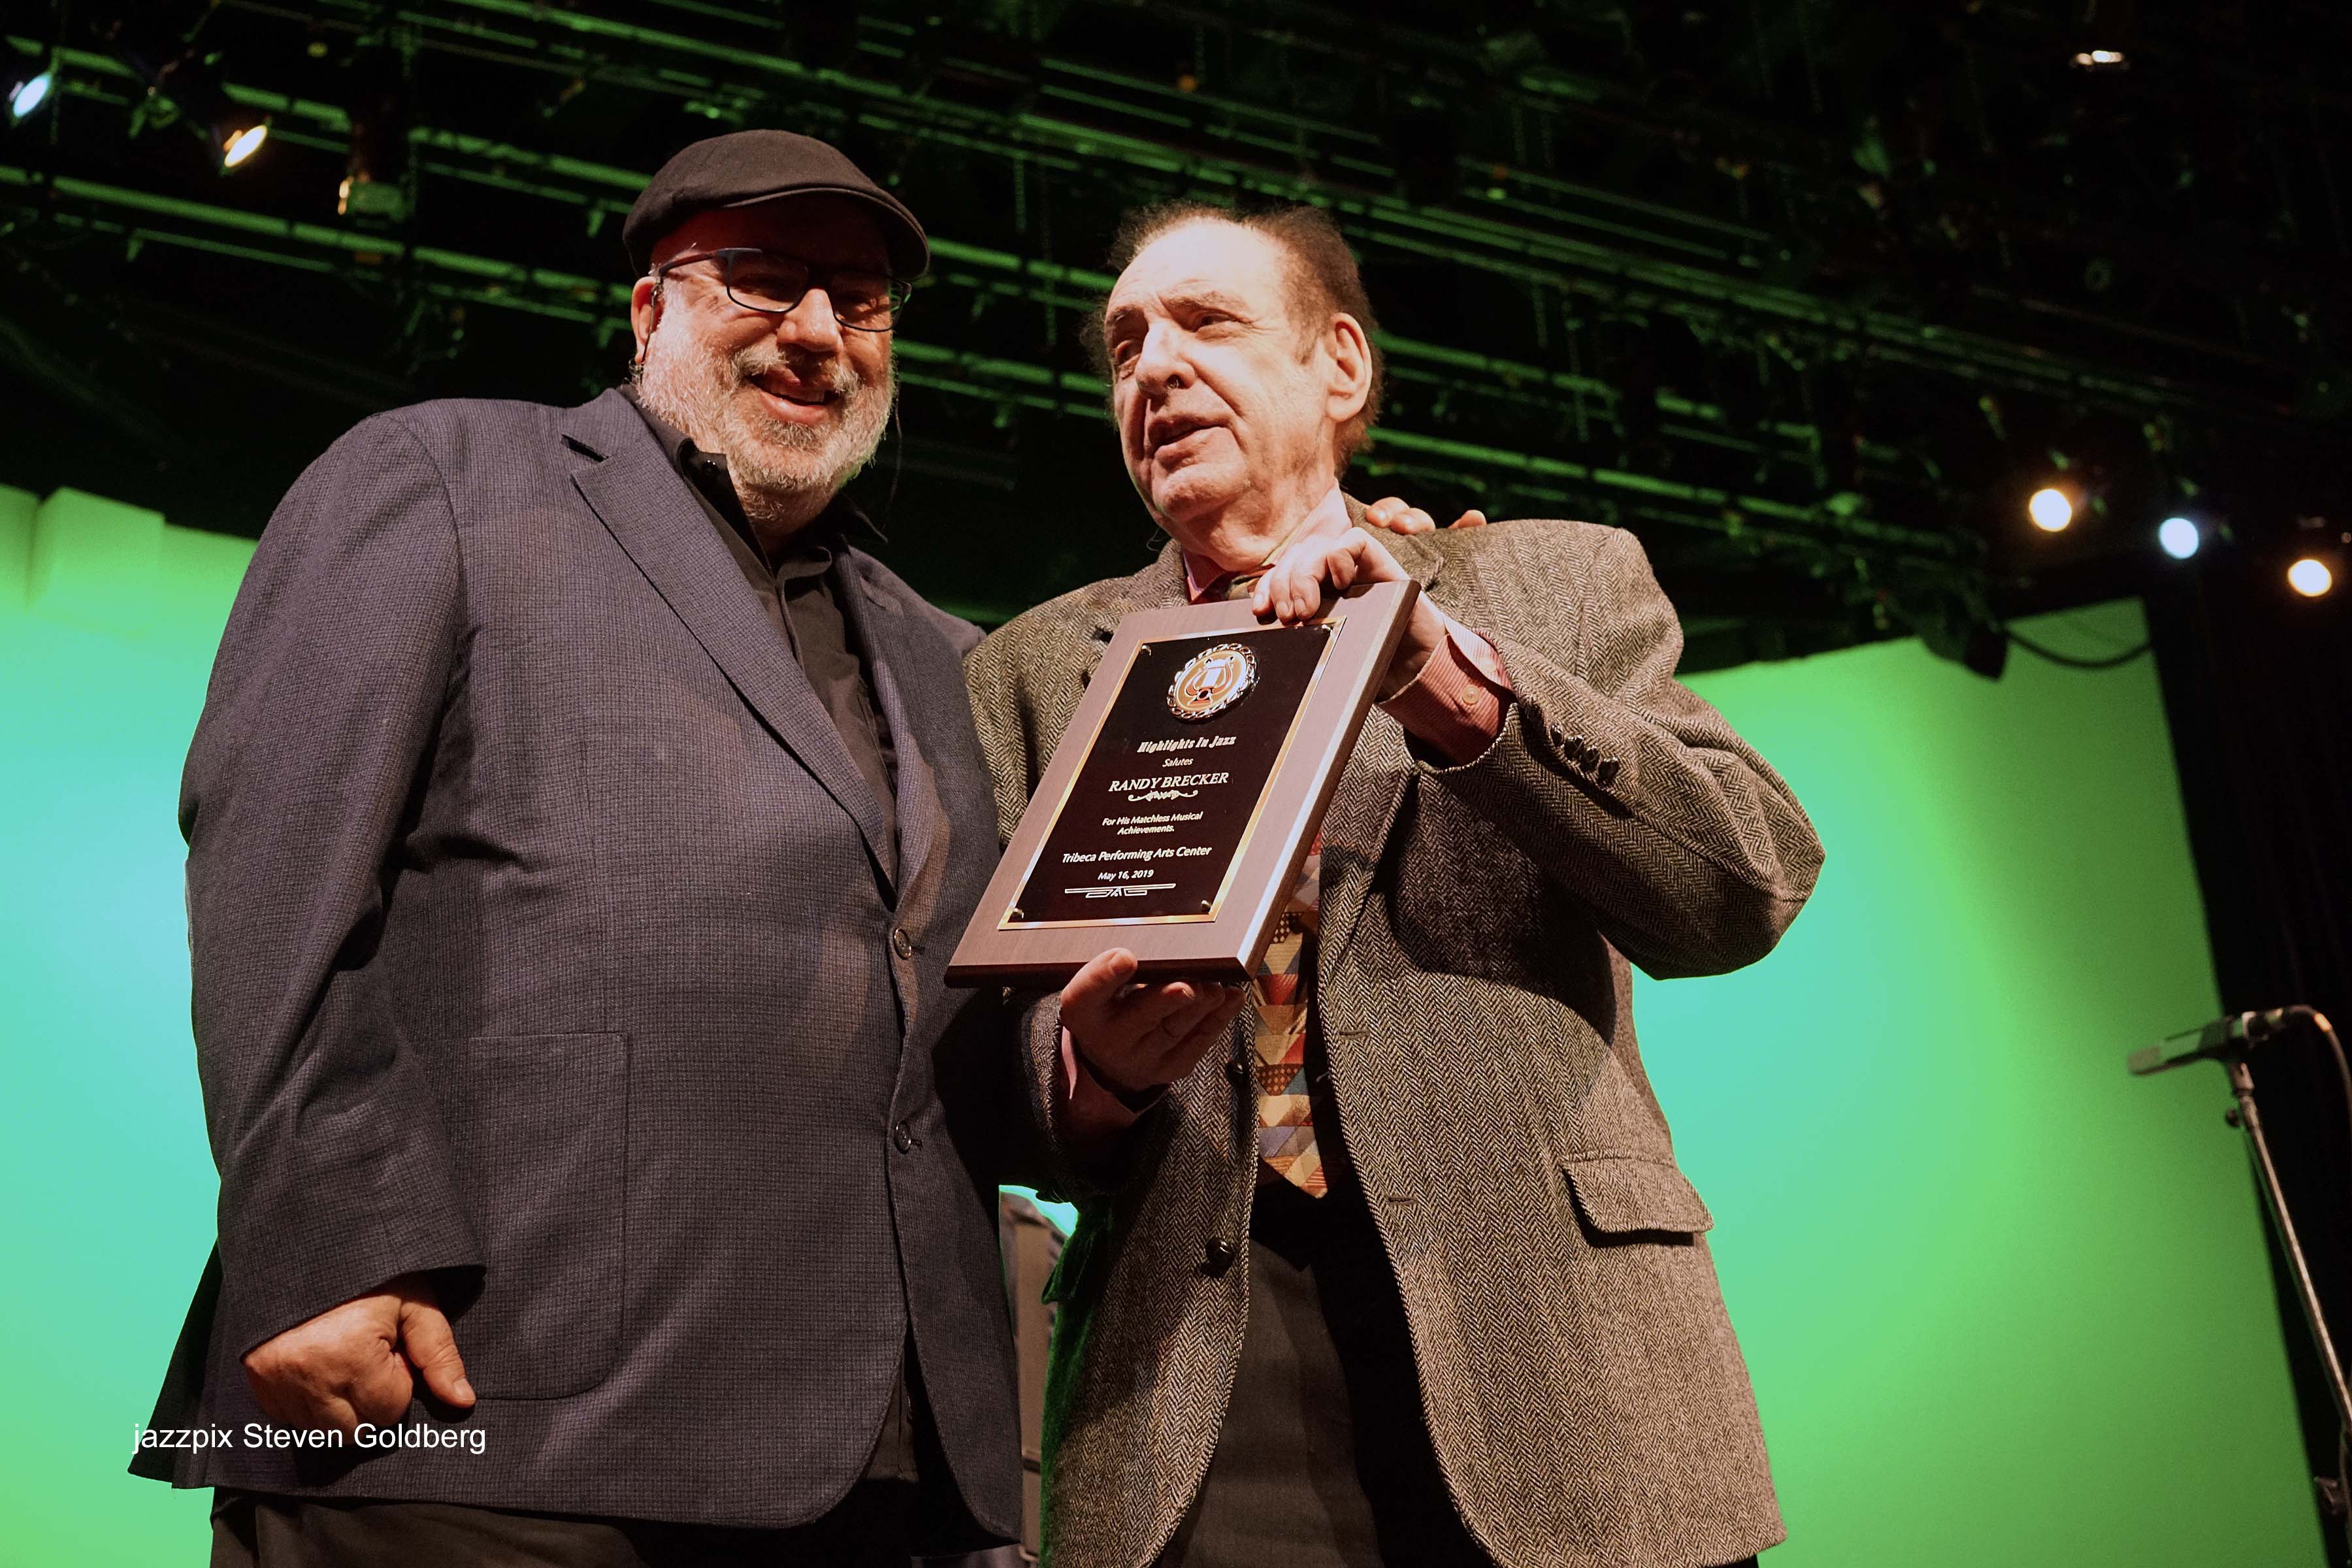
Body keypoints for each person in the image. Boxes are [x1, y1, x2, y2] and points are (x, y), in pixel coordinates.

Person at [131, 127, 1083, 1568]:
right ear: (649, 310)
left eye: (864, 302)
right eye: (765, 280)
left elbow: (947, 1060)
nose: (820, 332)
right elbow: (278, 860)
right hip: (476, 1425)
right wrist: (317, 1249)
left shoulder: (942, 652)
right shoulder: (443, 475)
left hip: (891, 1477)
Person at [964, 203, 1825, 1568]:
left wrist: (1446, 678)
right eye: (1126, 344)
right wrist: (1085, 1079)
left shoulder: (1553, 584)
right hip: (1193, 1386)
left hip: (1566, 1361)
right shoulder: (1028, 671)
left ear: (1341, 370)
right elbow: (974, 1075)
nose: (1154, 368)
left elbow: (1745, 882)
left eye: (1208, 323)